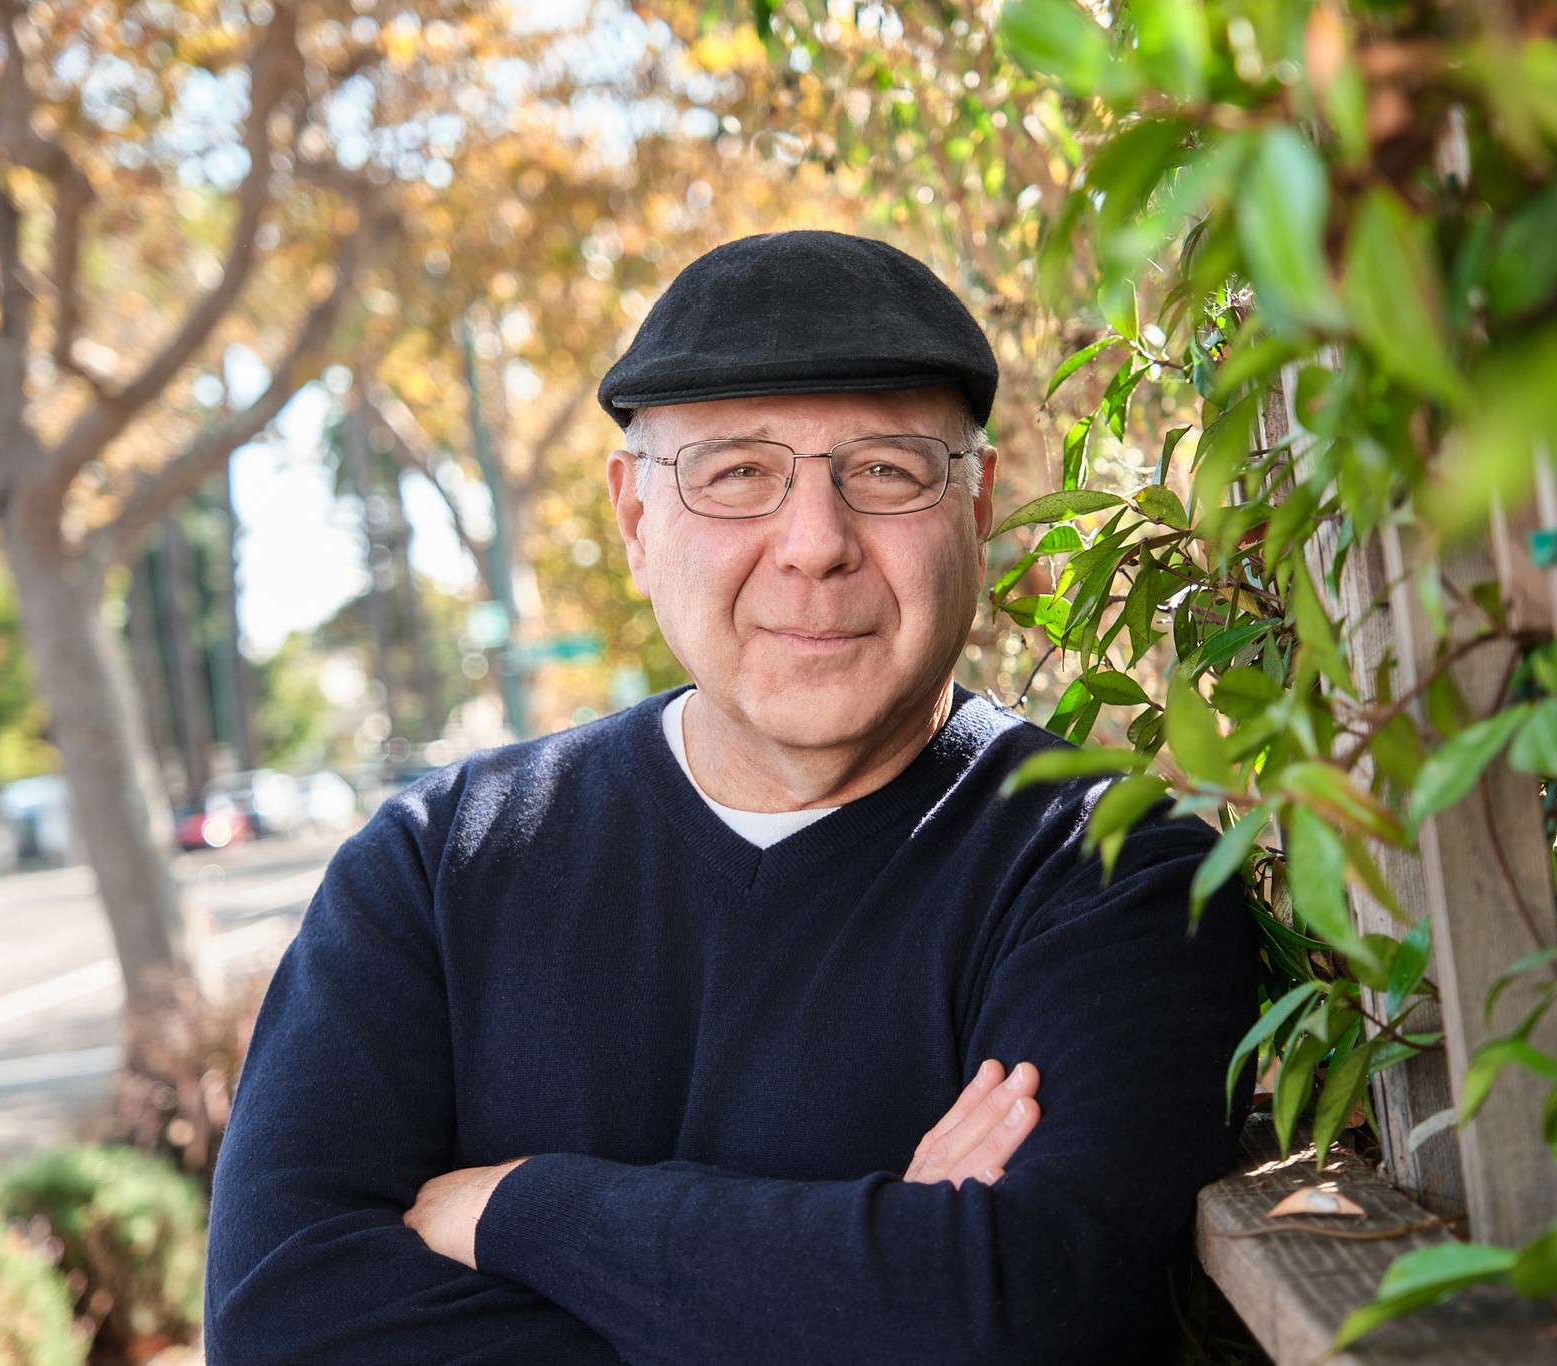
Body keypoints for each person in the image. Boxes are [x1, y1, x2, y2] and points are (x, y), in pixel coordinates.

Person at [204, 230, 1259, 1363]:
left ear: (976, 503)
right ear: (632, 516)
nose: (814, 544)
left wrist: (527, 1210)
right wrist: (863, 1282)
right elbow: (282, 1327)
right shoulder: (435, 868)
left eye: (886, 470)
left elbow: (1007, 1307)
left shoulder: (1106, 871)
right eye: (735, 473)